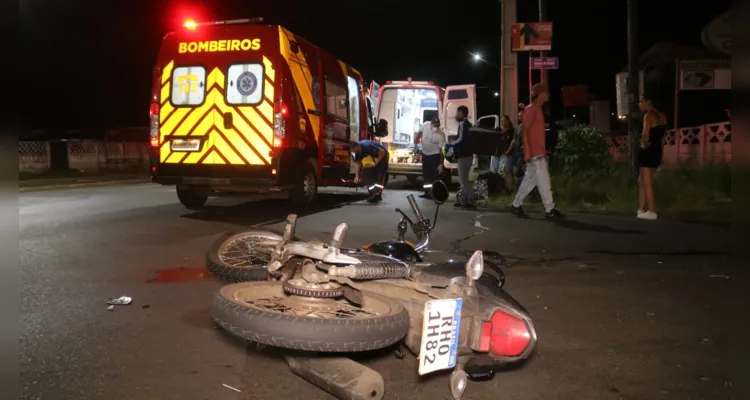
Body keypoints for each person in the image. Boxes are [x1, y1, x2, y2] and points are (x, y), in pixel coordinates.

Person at [509, 83, 563, 219]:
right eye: (546, 92)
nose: (548, 95)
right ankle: (550, 209)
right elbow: (525, 131)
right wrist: (527, 152)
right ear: (540, 94)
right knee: (544, 181)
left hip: (538, 152)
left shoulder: (537, 109)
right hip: (535, 153)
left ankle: (516, 205)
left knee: (530, 181)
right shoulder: (531, 109)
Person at [636, 95, 667, 220]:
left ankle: (652, 211)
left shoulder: (647, 116)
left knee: (647, 182)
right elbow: (662, 138)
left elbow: (645, 135)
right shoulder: (662, 117)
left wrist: (643, 145)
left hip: (648, 151)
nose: (639, 104)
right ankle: (641, 209)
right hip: (657, 150)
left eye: (641, 101)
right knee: (641, 180)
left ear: (647, 102)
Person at [448, 105, 476, 209]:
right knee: (463, 180)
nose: (456, 115)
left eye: (457, 112)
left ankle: (471, 202)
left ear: (461, 113)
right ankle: (463, 201)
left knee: (464, 181)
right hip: (467, 155)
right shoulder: (466, 123)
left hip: (464, 156)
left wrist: (452, 143)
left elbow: (461, 138)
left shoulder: (463, 123)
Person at [414, 116, 446, 198]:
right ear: (431, 124)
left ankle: (433, 193)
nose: (436, 127)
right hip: (425, 154)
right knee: (426, 175)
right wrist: (416, 144)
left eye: (437, 126)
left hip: (434, 156)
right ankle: (426, 192)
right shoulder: (425, 125)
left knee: (433, 176)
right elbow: (419, 134)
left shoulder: (441, 134)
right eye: (434, 125)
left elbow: (441, 151)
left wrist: (441, 164)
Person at [350, 139, 389, 203]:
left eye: (353, 150)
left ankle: (377, 195)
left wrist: (376, 163)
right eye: (351, 150)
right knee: (368, 176)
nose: (353, 152)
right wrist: (357, 176)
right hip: (373, 157)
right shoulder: (354, 152)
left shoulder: (367, 146)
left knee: (379, 176)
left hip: (383, 156)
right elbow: (357, 163)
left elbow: (382, 152)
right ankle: (373, 195)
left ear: (357, 146)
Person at [489, 115, 516, 191]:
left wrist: (508, 151)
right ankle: (495, 187)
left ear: (508, 121)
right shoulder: (497, 130)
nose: (503, 122)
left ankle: (509, 188)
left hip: (507, 153)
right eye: (502, 121)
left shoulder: (511, 131)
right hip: (497, 153)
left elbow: (513, 142)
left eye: (504, 121)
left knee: (507, 170)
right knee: (494, 170)